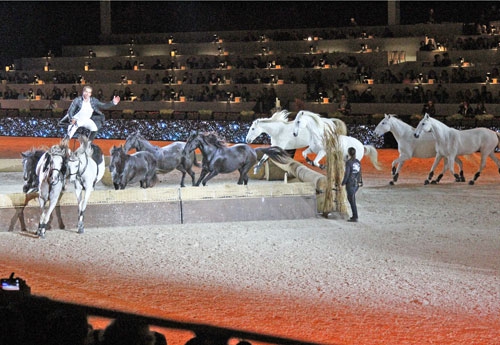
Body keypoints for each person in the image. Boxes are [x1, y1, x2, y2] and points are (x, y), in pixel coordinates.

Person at [341, 147, 363, 222]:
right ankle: (354, 215)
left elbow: (347, 174)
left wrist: (343, 182)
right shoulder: (358, 162)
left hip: (350, 183)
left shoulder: (349, 162)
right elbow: (360, 172)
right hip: (356, 183)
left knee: (351, 200)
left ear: (349, 153)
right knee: (351, 199)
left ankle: (355, 216)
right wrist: (360, 181)